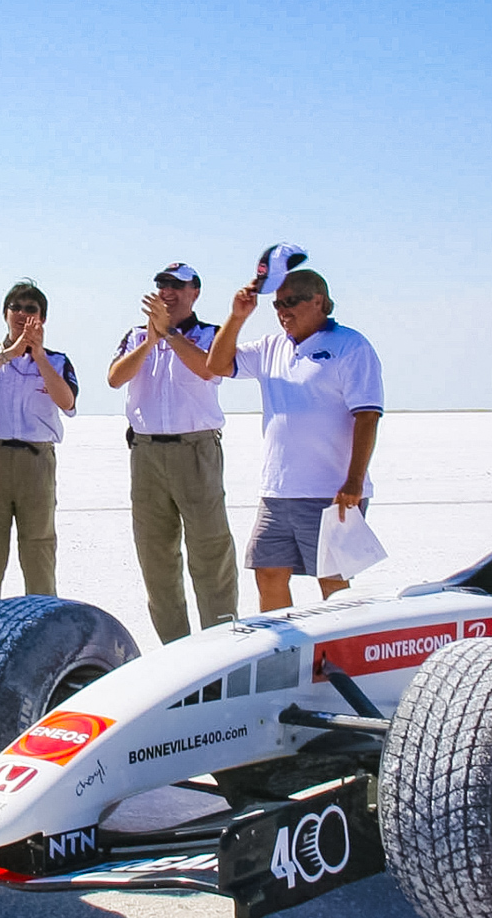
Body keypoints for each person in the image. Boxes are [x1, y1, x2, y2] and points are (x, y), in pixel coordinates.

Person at [207, 264, 383, 612]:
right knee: (268, 573)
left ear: (318, 300)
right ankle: (283, 654)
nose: (283, 311)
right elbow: (216, 365)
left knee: (332, 581)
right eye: (277, 305)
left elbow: (366, 416)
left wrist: (354, 481)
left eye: (291, 302)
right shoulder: (271, 347)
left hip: (330, 491)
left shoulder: (350, 346)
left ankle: (337, 657)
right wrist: (237, 317)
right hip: (278, 491)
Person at [106, 262, 237, 642]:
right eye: (162, 284)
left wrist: (171, 336)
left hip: (195, 451)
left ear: (195, 292)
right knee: (156, 558)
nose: (168, 291)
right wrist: (151, 339)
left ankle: (221, 649)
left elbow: (208, 370)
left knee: (210, 554)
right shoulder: (136, 336)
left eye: (177, 286)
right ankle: (175, 652)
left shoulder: (211, 334)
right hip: (146, 454)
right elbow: (115, 378)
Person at [0, 282, 77, 611]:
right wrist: (8, 356)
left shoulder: (57, 361)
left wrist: (39, 357)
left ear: (42, 318)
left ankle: (45, 630)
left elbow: (67, 401)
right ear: (5, 313)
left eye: (31, 309)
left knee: (39, 551)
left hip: (36, 462)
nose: (22, 314)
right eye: (16, 307)